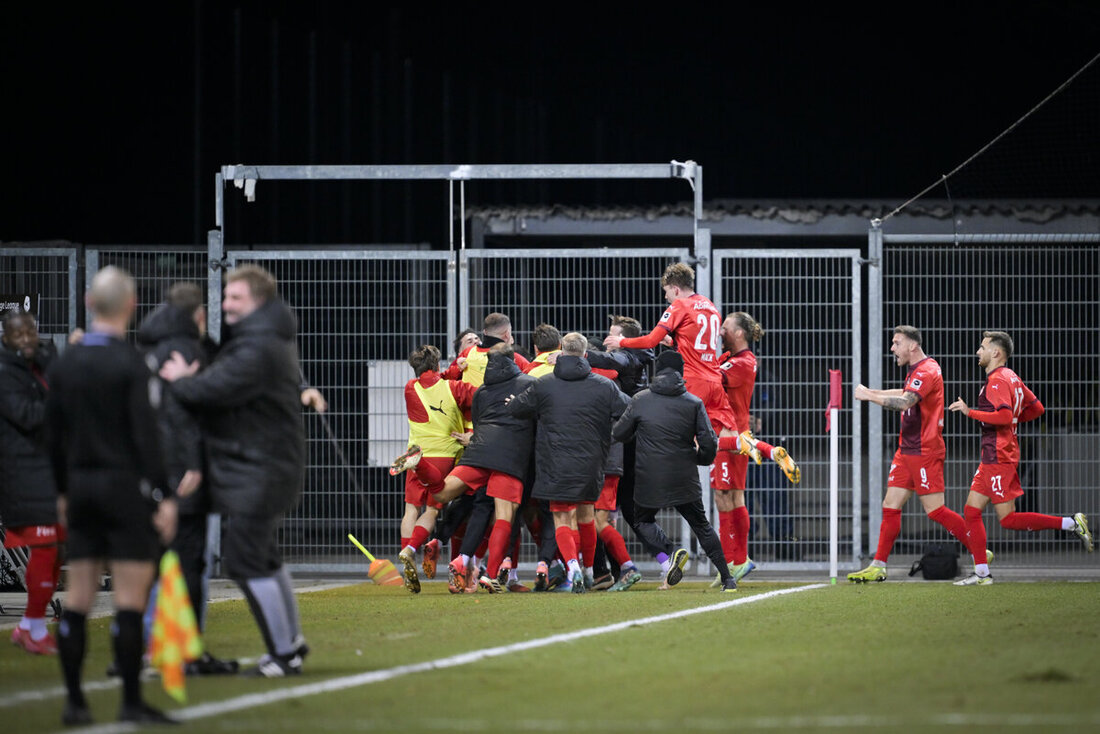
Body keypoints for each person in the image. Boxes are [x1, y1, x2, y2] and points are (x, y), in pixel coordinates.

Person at [159, 264, 307, 677]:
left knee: (244, 558)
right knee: (262, 556)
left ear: (258, 300)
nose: (225, 304)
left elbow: (212, 389)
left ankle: (283, 654)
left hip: (259, 467)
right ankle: (291, 643)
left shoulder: (257, 347)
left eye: (235, 297)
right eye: (226, 296)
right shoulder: (264, 338)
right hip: (265, 465)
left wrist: (180, 380)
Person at [45, 266, 178, 725]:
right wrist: (163, 494)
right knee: (129, 599)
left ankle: (74, 702)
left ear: (88, 302)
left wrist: (62, 491)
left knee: (78, 596)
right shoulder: (131, 364)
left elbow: (53, 436)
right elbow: (147, 437)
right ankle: (130, 702)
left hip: (80, 488)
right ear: (131, 305)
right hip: (123, 489)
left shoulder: (65, 364)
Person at [948, 331, 1092, 584]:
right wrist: (1015, 420)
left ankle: (1070, 523)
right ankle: (982, 573)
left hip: (999, 456)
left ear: (996, 352)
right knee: (971, 511)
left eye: (982, 347)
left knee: (1008, 519)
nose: (978, 352)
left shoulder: (996, 380)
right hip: (995, 456)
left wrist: (970, 412)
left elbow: (1004, 416)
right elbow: (1037, 408)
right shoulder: (1011, 377)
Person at [848, 325, 985, 583]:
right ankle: (878, 566)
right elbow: (905, 393)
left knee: (935, 510)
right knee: (890, 505)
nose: (892, 348)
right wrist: (871, 393)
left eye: (896, 343)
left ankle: (979, 550)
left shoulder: (927, 370)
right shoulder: (916, 370)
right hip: (907, 449)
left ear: (912, 345)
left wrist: (869, 396)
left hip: (925, 450)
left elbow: (905, 402)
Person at [507, 332, 629, 593]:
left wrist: (514, 401)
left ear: (561, 352)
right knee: (586, 516)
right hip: (591, 463)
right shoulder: (604, 385)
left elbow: (517, 409)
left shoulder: (544, 384)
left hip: (555, 462)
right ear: (585, 354)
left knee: (561, 517)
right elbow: (628, 412)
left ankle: (572, 566)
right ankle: (588, 571)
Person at [612, 350, 738, 592]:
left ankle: (671, 551)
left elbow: (619, 433)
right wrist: (700, 459)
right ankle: (727, 579)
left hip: (649, 476)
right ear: (681, 373)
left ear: (658, 371)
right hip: (684, 475)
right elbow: (709, 442)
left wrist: (638, 433)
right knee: (701, 526)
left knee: (642, 520)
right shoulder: (693, 402)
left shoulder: (640, 400)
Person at [429, 343, 538, 592]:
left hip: (478, 452)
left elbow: (478, 423)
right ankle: (491, 573)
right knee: (504, 515)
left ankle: (462, 560)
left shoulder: (481, 391)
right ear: (513, 359)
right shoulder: (530, 384)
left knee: (443, 493)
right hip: (510, 458)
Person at [710, 312, 800, 587]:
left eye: (725, 327)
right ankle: (737, 561)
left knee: (726, 497)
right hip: (732, 432)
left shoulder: (744, 361)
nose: (720, 332)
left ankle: (732, 562)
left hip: (730, 434)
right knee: (732, 497)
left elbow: (709, 378)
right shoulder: (731, 358)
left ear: (739, 333)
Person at [388, 344, 476, 593]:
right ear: (437, 365)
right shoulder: (454, 387)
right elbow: (481, 396)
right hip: (444, 457)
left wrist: (448, 371)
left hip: (416, 456)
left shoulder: (410, 388)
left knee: (410, 510)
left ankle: (407, 558)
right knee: (432, 510)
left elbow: (431, 380)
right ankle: (411, 548)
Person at [0, 310, 62, 656]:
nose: (26, 339)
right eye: (18, 334)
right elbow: (27, 416)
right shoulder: (4, 373)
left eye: (30, 332)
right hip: (22, 473)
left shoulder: (42, 364)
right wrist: (63, 405)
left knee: (57, 551)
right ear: (6, 338)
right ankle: (35, 627)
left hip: (48, 470)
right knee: (45, 547)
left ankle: (26, 626)